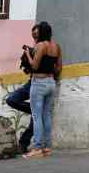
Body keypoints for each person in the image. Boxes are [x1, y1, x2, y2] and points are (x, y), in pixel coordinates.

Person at [22, 21, 61, 160]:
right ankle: (47, 147)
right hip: (51, 82)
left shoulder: (40, 46)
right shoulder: (56, 47)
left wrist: (27, 54)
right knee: (46, 115)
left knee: (36, 116)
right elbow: (58, 68)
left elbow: (34, 65)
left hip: (39, 82)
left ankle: (37, 148)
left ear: (41, 33)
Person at [5, 24, 39, 153]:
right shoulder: (35, 47)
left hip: (39, 82)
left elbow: (37, 66)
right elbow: (31, 69)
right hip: (32, 81)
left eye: (36, 35)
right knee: (11, 99)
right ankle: (33, 109)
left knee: (35, 118)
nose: (35, 38)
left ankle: (23, 143)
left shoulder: (44, 48)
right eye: (33, 36)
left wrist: (29, 56)